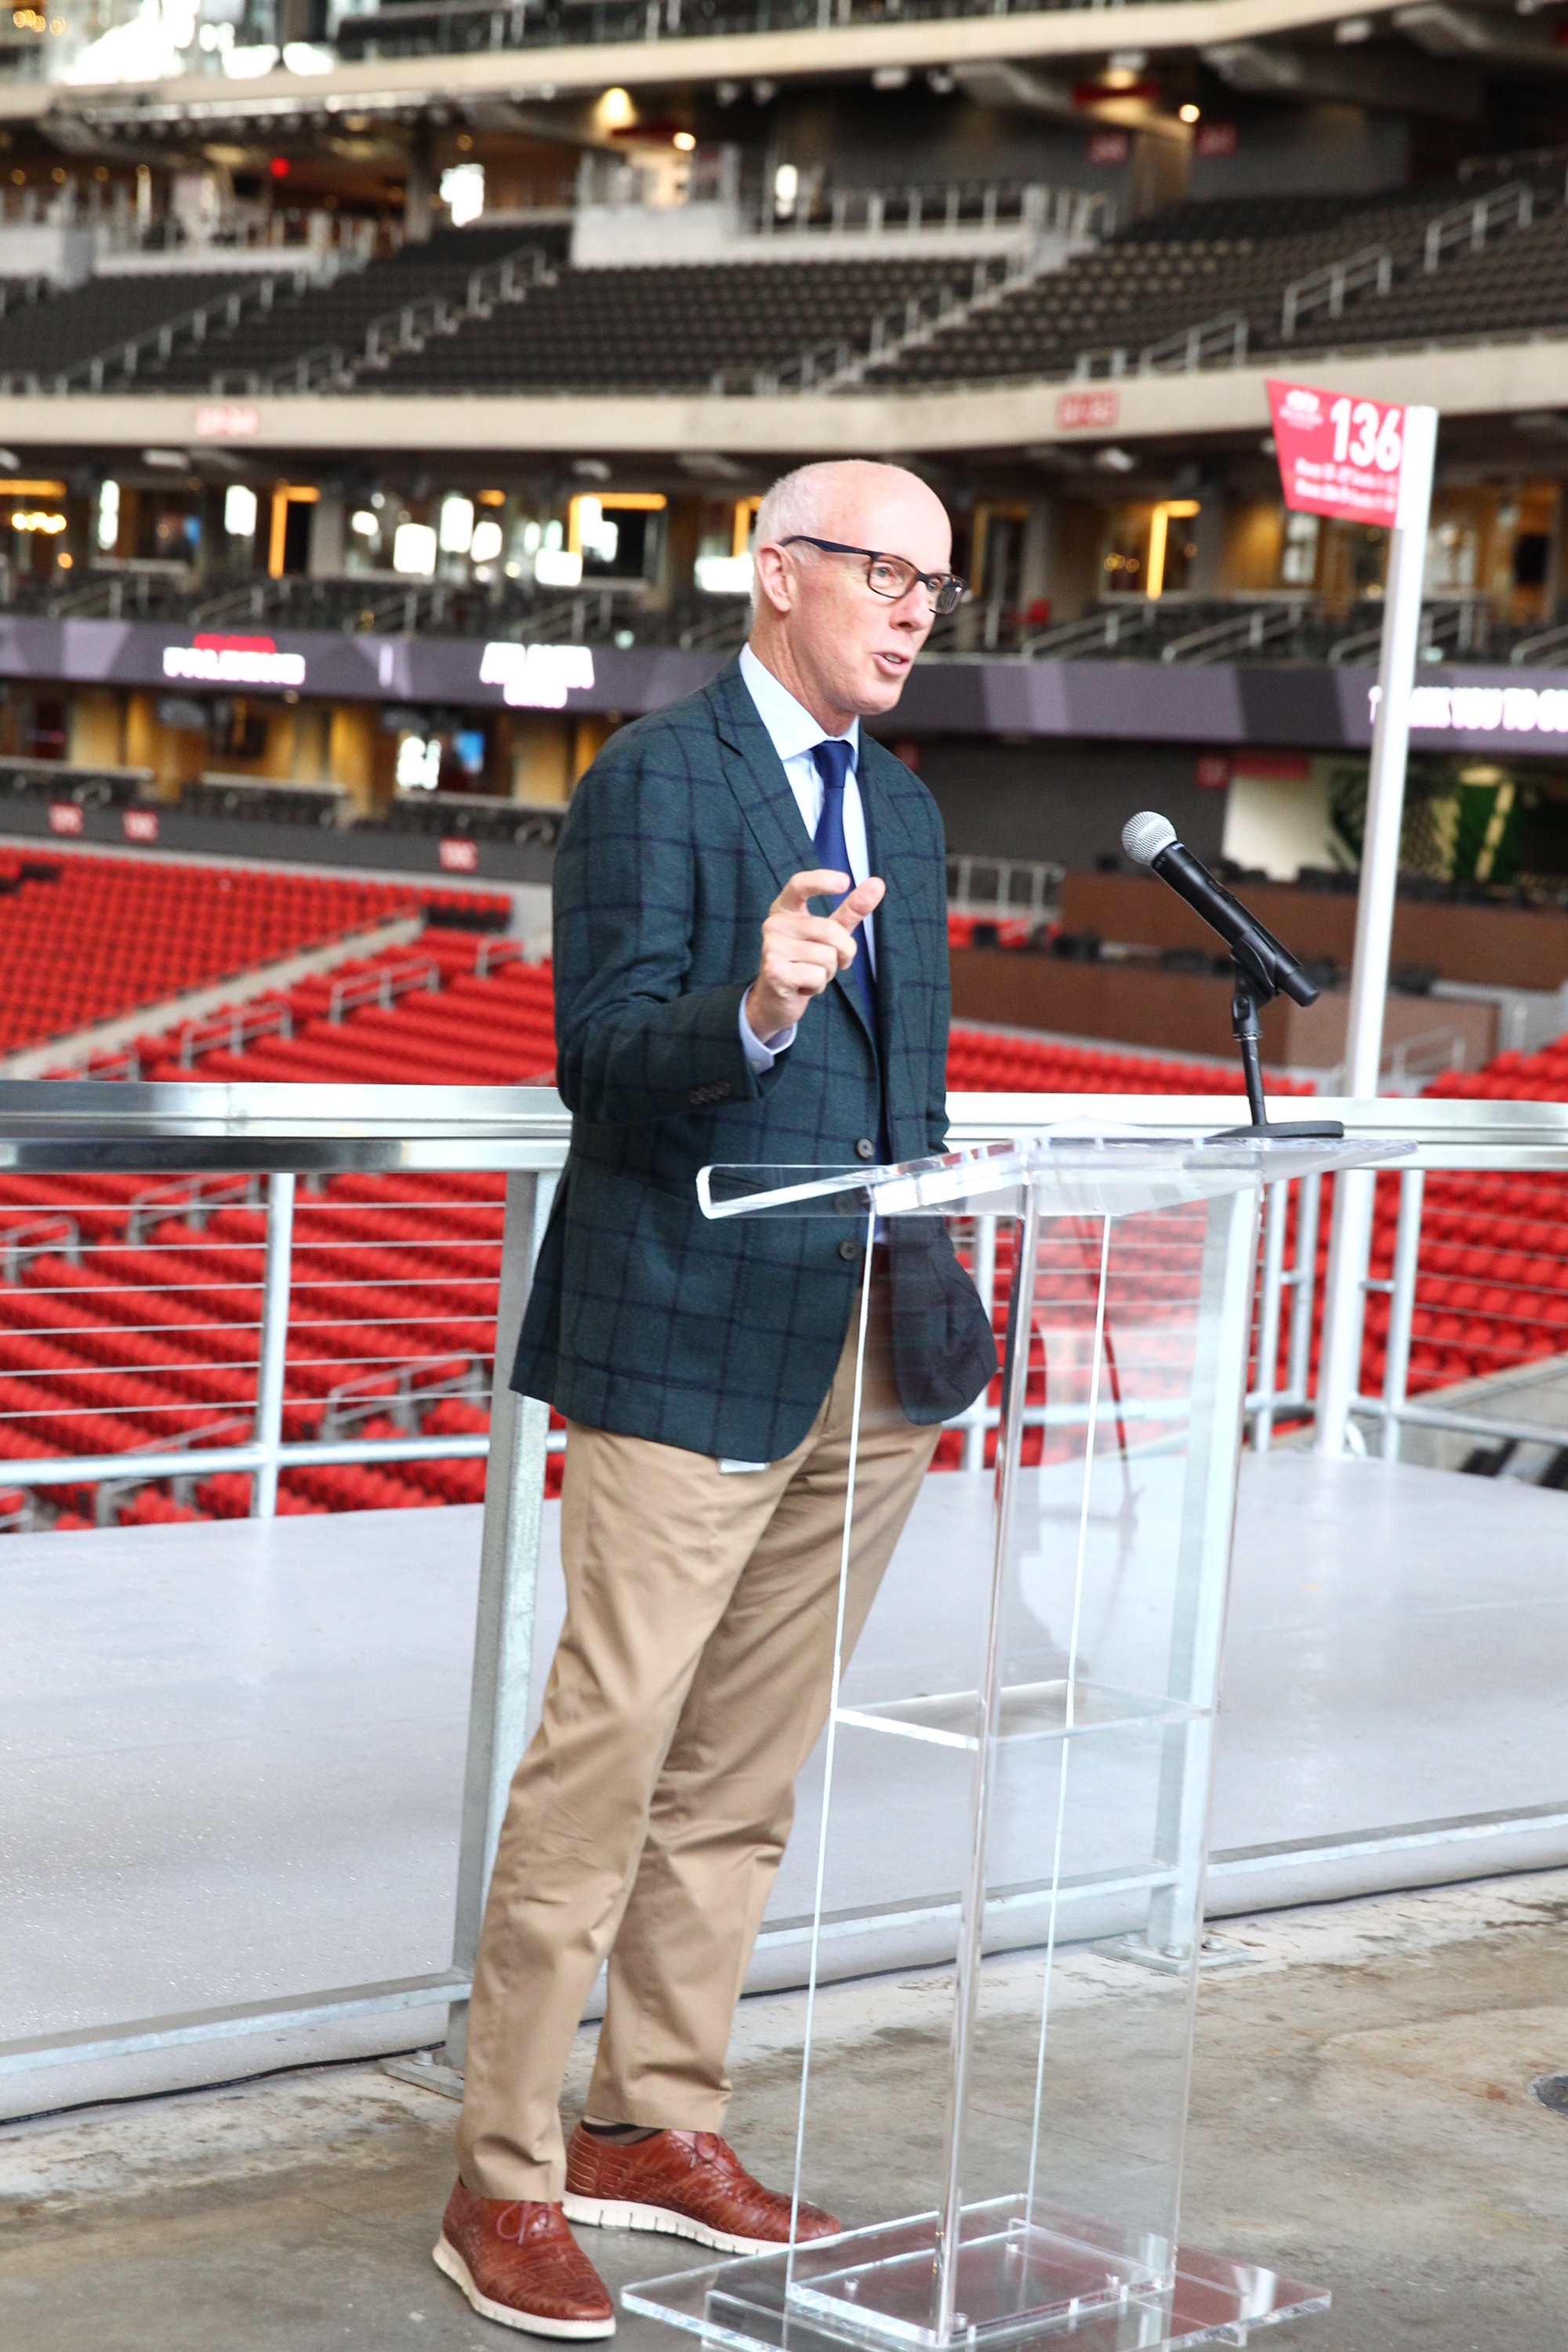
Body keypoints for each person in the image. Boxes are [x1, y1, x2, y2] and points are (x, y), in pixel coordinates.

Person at [434, 459, 996, 2337]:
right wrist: (749, 1008)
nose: (916, 610)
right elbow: (600, 1059)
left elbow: (904, 1097)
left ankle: (650, 2122)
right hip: (684, 1332)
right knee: (603, 1768)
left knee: (742, 1782)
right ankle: (502, 2177)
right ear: (779, 578)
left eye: (938, 586)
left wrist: (944, 1270)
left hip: (870, 1347)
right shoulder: (652, 783)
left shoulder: (905, 813)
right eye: (886, 575)